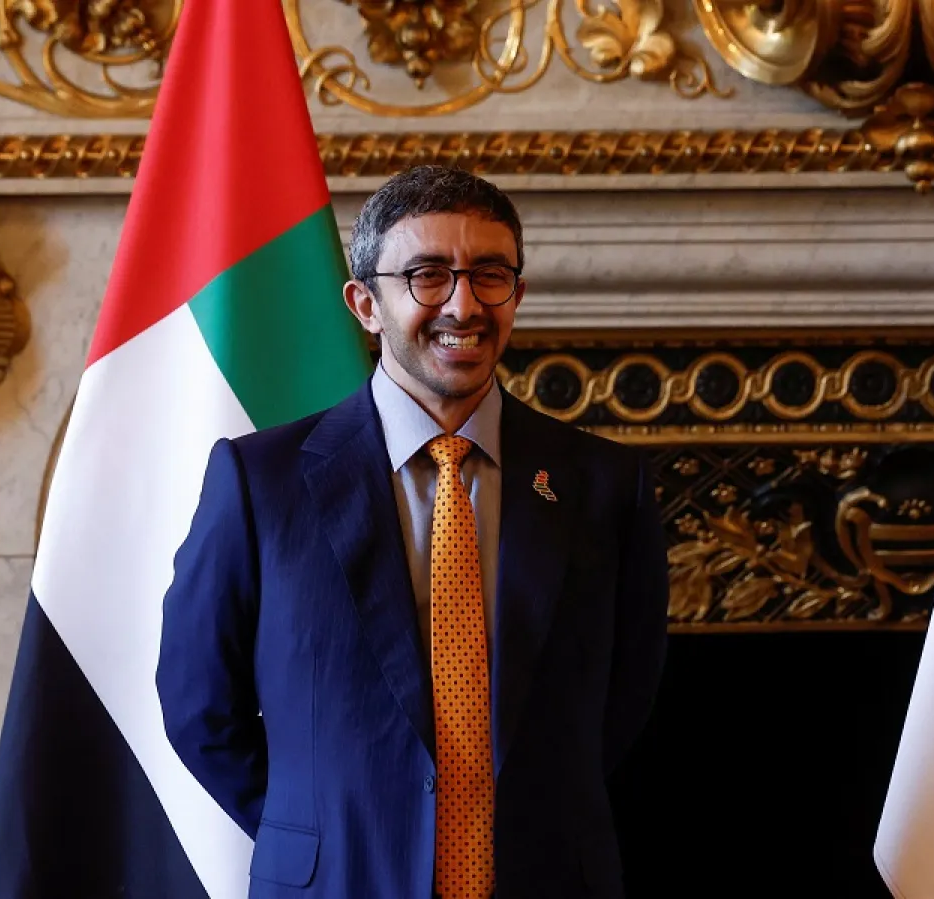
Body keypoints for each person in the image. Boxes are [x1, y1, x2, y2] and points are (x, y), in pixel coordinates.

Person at [155, 165, 669, 899]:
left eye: (489, 274)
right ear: (365, 303)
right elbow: (197, 701)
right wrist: (320, 824)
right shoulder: (259, 481)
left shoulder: (606, 485)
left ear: (516, 294)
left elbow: (624, 699)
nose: (464, 304)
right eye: (427, 275)